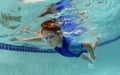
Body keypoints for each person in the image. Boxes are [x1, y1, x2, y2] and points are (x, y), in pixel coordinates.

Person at [16, 19, 99, 64]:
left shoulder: (72, 45)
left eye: (51, 37)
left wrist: (92, 55)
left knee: (91, 48)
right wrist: (26, 39)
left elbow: (87, 45)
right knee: (80, 56)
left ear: (60, 34)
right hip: (73, 54)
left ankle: (96, 40)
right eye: (46, 38)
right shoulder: (53, 41)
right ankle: (89, 60)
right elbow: (41, 39)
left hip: (75, 50)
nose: (48, 41)